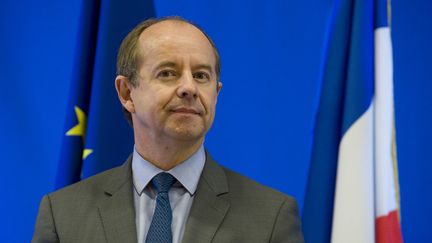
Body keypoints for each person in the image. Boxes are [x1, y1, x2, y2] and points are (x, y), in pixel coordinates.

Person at [32, 16, 304, 243]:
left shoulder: (271, 217)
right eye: (168, 73)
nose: (189, 88)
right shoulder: (62, 214)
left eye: (201, 75)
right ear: (127, 93)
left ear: (216, 93)